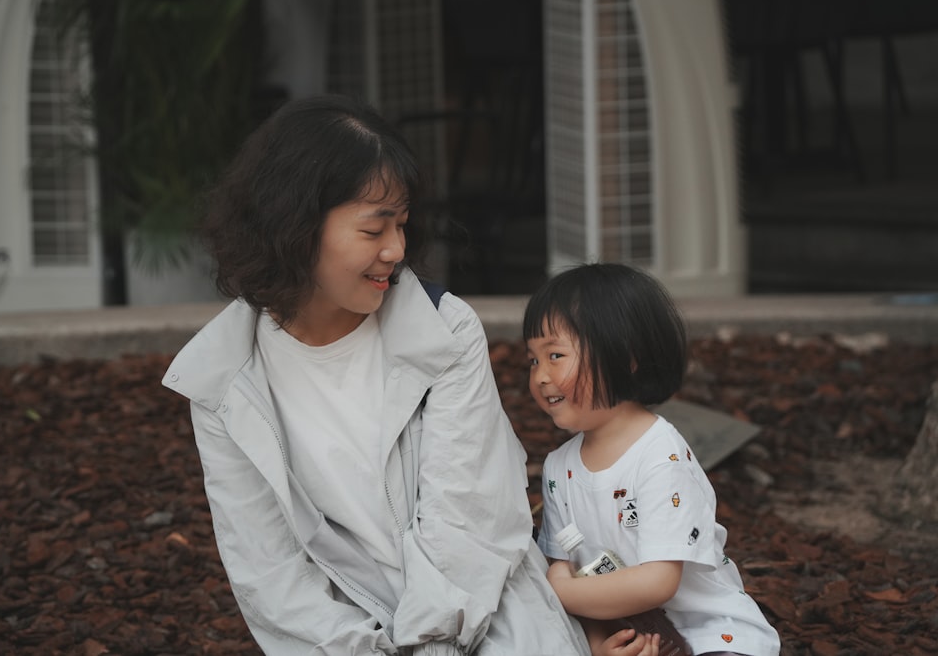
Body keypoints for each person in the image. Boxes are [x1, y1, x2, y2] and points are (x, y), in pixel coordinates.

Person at [162, 95, 659, 656]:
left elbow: (470, 517)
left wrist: (431, 647)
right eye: (374, 230)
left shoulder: (443, 329)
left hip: (483, 606)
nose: (397, 250)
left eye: (401, 224)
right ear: (294, 227)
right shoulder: (221, 381)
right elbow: (269, 574)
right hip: (344, 631)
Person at [524, 263, 781, 656]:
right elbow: (564, 564)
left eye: (555, 355)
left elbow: (659, 582)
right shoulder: (559, 468)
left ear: (626, 357)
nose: (541, 375)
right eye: (533, 360)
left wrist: (560, 590)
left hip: (713, 636)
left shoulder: (660, 455)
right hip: (633, 636)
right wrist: (600, 645)